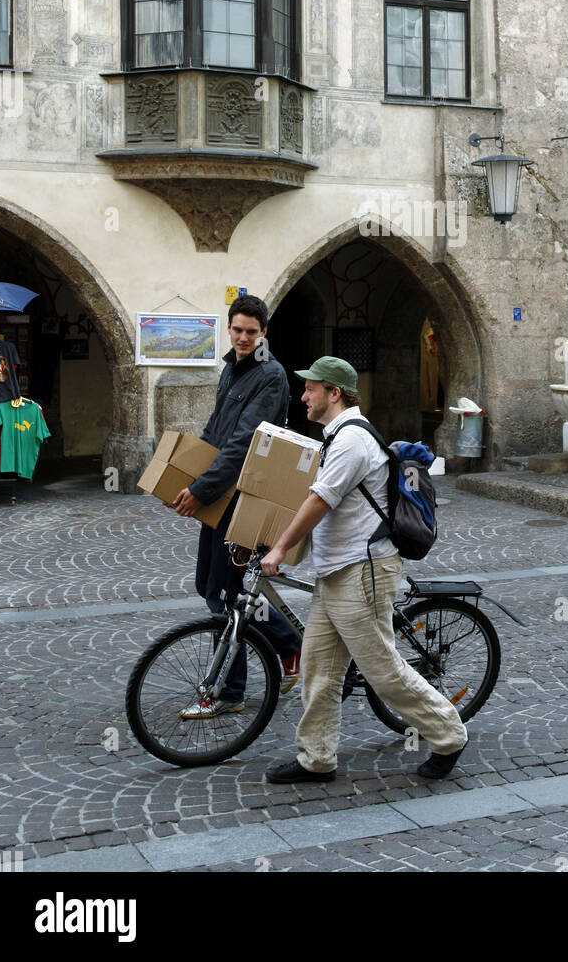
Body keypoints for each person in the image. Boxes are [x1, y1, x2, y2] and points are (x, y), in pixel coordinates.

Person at [260, 356, 468, 784]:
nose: (303, 397)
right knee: (319, 669)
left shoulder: (353, 440)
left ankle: (449, 735)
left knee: (383, 671)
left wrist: (280, 547)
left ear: (334, 393)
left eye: (311, 389)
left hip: (363, 572)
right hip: (337, 572)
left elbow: (320, 499)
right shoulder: (336, 437)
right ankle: (316, 758)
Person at [172, 295, 301, 714]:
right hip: (220, 497)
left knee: (224, 594)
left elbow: (245, 442)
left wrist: (202, 489)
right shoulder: (232, 368)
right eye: (237, 329)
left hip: (244, 500)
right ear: (228, 328)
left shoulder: (271, 375)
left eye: (251, 331)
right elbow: (215, 431)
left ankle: (230, 692)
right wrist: (188, 473)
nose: (243, 337)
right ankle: (289, 644)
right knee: (210, 587)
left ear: (264, 332)